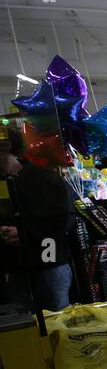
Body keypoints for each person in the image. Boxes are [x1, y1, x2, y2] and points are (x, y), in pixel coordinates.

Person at [0, 123, 77, 311]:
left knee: (56, 322)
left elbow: (64, 220)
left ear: (8, 148)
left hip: (48, 261)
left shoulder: (43, 178)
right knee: (26, 326)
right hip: (14, 270)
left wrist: (26, 233)